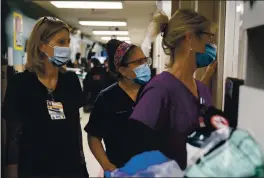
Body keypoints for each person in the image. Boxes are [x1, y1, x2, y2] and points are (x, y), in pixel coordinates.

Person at [120, 9, 218, 170]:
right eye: (209, 37)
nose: (212, 45)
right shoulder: (159, 90)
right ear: (190, 38)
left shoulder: (202, 90)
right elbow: (134, 151)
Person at [2, 17, 88, 178]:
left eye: (68, 42)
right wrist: (11, 170)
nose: (67, 47)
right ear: (42, 46)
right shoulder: (20, 83)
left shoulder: (70, 81)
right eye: (61, 42)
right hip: (35, 168)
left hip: (70, 167)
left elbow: (75, 127)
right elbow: (13, 134)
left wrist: (82, 164)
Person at [84, 39, 152, 171]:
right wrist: (107, 166)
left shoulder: (153, 93)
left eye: (145, 60)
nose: (144, 65)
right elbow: (94, 136)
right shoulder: (107, 98)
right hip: (121, 171)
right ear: (123, 70)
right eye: (138, 62)